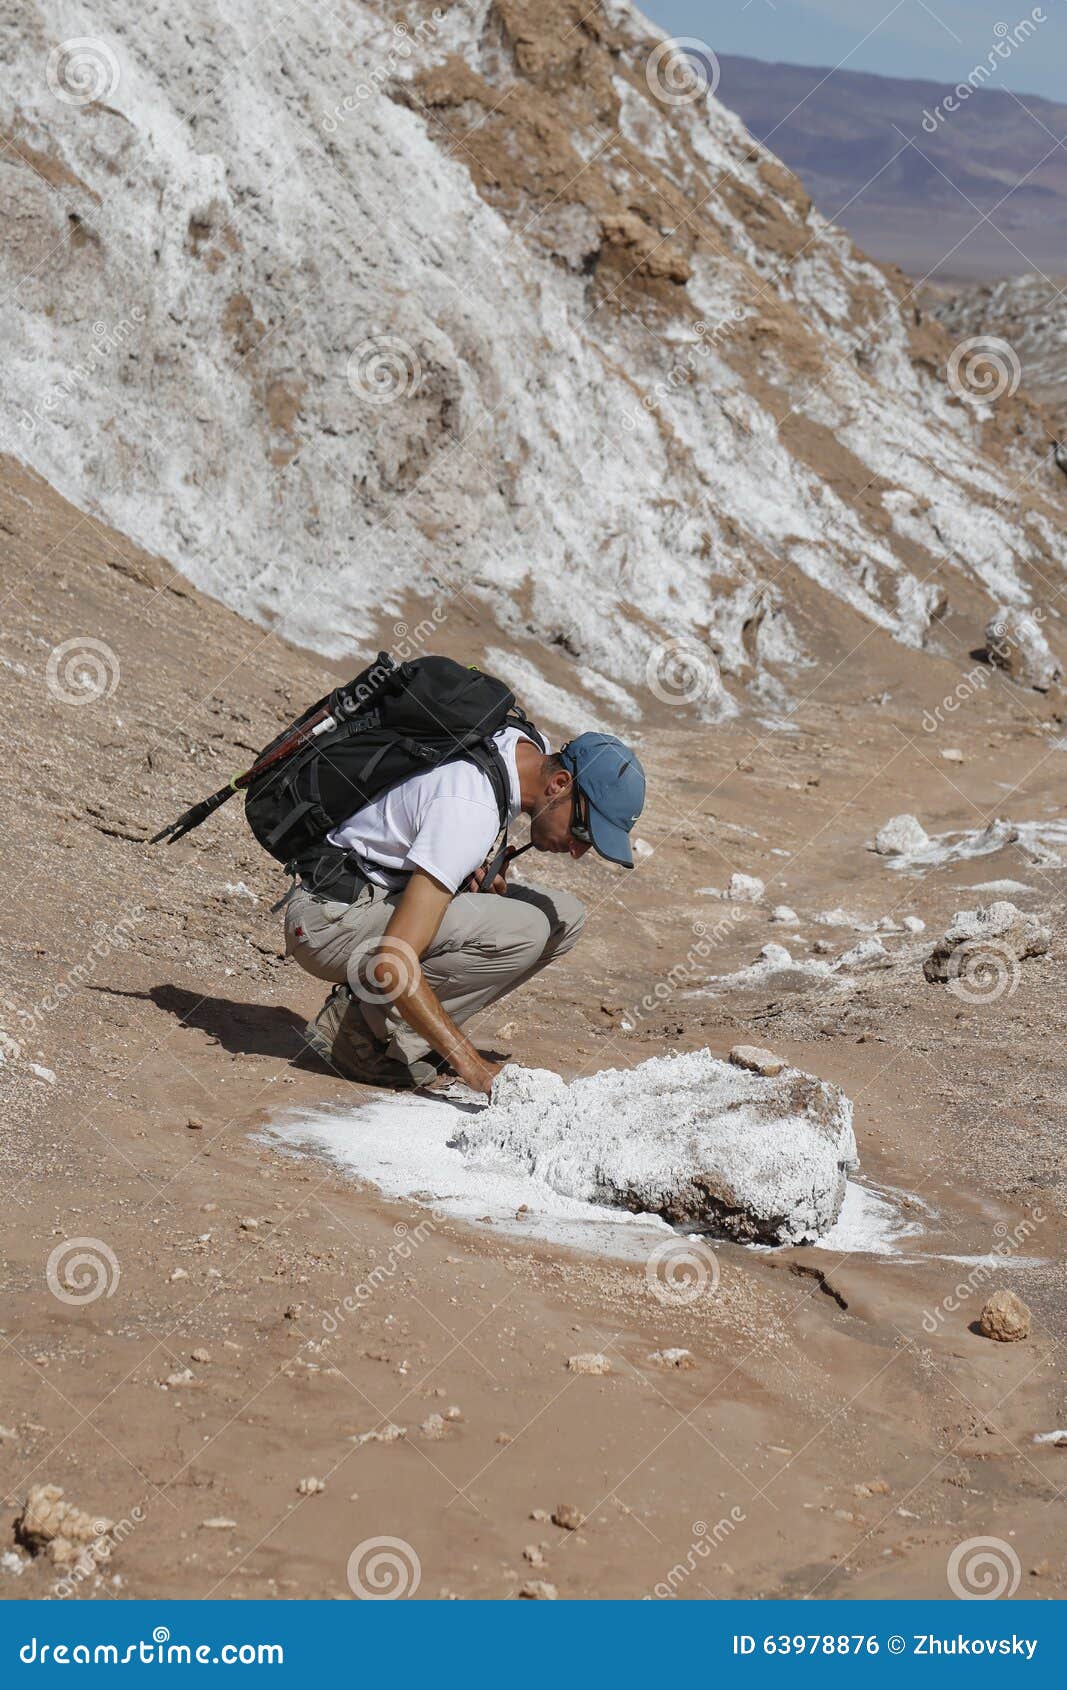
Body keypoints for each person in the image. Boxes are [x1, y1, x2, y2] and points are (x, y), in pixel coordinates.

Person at [285, 728, 646, 1095]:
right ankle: (359, 1031)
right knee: (524, 929)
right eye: (583, 831)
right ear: (559, 783)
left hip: (380, 891)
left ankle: (409, 1035)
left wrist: (468, 874)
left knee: (564, 917)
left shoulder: (524, 748)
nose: (577, 851)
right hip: (329, 921)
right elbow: (393, 960)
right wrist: (474, 1070)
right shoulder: (471, 807)